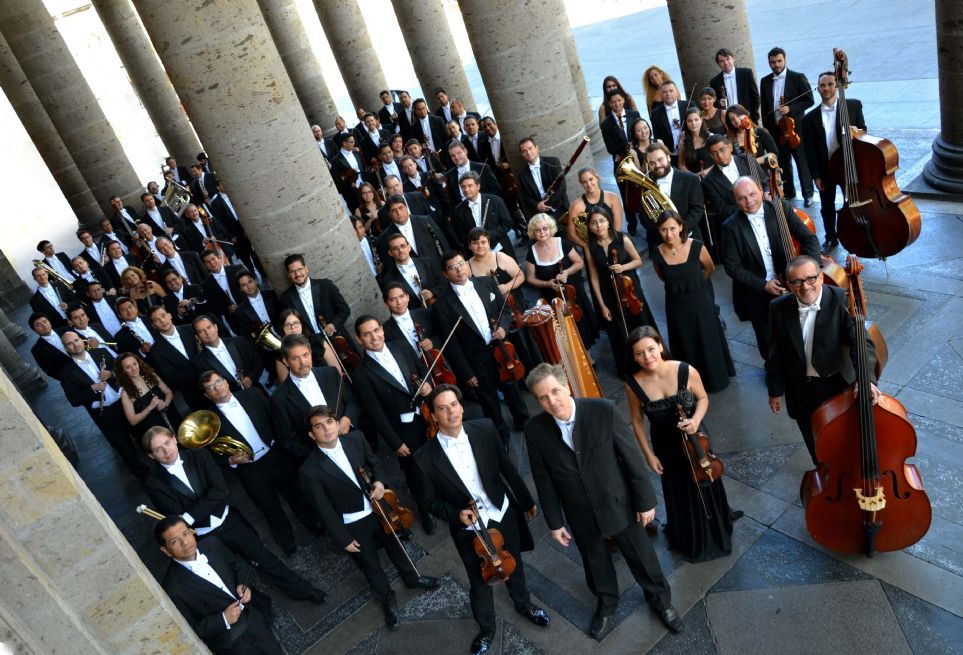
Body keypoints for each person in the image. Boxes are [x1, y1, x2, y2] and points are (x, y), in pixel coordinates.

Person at [523, 363, 680, 637]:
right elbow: (543, 479)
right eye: (543, 398)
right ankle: (607, 604)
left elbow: (631, 458)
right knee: (595, 562)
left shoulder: (603, 410)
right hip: (579, 510)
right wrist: (555, 522)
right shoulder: (534, 429)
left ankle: (661, 601)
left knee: (642, 556)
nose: (552, 401)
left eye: (555, 392)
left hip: (619, 503)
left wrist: (645, 501)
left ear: (566, 386)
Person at [415, 385, 550, 654]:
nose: (451, 412)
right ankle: (487, 629)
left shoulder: (485, 428)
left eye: (454, 404)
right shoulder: (423, 458)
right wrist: (456, 515)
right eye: (442, 408)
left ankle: (524, 604)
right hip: (470, 530)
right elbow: (428, 502)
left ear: (461, 406)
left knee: (514, 564)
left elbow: (507, 469)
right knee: (479, 582)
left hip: (501, 512)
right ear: (434, 416)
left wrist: (527, 501)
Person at [143, 428, 326, 604]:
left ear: (174, 439)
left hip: (229, 521)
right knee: (228, 577)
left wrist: (189, 516)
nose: (166, 450)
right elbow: (174, 512)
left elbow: (219, 491)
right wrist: (199, 507)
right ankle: (259, 607)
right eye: (158, 449)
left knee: (264, 559)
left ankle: (304, 590)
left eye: (167, 443)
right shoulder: (153, 483)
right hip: (204, 537)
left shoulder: (199, 454)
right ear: (151, 456)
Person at [299, 405, 440, 631]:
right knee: (370, 565)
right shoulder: (309, 471)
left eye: (329, 422)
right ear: (311, 434)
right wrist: (343, 538)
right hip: (353, 522)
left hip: (379, 508)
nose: (326, 428)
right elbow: (323, 510)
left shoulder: (355, 439)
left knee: (396, 546)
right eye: (319, 426)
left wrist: (379, 482)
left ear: (337, 423)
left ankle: (412, 578)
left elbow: (375, 464)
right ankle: (387, 599)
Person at [624, 327, 739, 562]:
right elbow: (636, 421)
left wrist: (695, 420)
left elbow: (703, 398)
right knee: (679, 488)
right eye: (639, 353)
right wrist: (648, 455)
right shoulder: (633, 383)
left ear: (660, 346)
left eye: (650, 349)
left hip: (695, 441)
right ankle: (691, 534)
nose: (647, 357)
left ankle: (714, 527)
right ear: (633, 357)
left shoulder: (685, 370)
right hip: (665, 445)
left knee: (704, 479)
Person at [766, 256, 878, 464]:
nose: (805, 286)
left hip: (837, 386)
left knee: (847, 441)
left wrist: (866, 380)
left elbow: (861, 343)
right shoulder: (778, 307)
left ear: (821, 278)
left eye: (811, 278)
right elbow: (776, 351)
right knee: (815, 443)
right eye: (797, 281)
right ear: (788, 284)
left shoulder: (842, 299)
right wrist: (774, 390)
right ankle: (824, 475)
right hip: (800, 389)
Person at [202, 370, 318, 555]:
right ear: (207, 395)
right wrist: (230, 460)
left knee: (295, 493)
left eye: (218, 382)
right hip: (250, 469)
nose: (217, 388)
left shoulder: (253, 394)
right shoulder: (207, 422)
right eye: (210, 388)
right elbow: (209, 454)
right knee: (269, 506)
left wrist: (282, 445)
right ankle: (286, 542)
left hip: (275, 455)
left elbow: (276, 419)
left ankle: (315, 524)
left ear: (226, 382)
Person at [351, 315, 437, 534]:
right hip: (402, 429)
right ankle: (425, 508)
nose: (374, 337)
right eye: (367, 334)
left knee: (439, 455)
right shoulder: (362, 374)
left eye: (376, 330)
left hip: (427, 415)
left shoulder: (400, 346)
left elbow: (421, 368)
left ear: (382, 329)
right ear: (359, 339)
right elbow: (376, 414)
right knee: (415, 470)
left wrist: (427, 383)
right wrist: (395, 442)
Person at [434, 252, 531, 444]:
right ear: (445, 274)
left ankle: (525, 422)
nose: (459, 269)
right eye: (452, 267)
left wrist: (503, 328)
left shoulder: (486, 283)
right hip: (475, 357)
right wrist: (466, 373)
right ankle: (501, 436)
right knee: (488, 398)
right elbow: (451, 345)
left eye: (461, 263)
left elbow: (505, 311)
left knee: (512, 387)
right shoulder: (442, 305)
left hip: (499, 348)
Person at [721, 176, 820, 361]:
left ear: (760, 190)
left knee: (803, 331)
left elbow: (809, 239)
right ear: (735, 200)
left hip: (793, 282)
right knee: (768, 340)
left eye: (752, 194)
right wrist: (763, 285)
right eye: (742, 198)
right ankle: (774, 370)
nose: (749, 201)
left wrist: (810, 273)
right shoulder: (730, 227)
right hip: (758, 290)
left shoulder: (780, 209)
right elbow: (732, 267)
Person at [155, 515, 283, 655]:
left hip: (253, 619)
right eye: (174, 541)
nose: (185, 542)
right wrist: (223, 619)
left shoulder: (212, 543)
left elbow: (238, 566)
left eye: (185, 533)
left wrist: (243, 584)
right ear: (165, 550)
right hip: (232, 644)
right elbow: (190, 628)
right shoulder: (171, 587)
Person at [651, 211, 734, 393]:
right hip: (675, 305)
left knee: (707, 338)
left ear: (680, 226)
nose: (669, 234)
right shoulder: (657, 253)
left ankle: (714, 379)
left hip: (700, 301)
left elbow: (709, 268)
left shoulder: (696, 246)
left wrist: (695, 284)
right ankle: (691, 382)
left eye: (672, 228)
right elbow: (663, 277)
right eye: (664, 229)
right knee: (684, 342)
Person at [59, 331, 151, 479]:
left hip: (125, 402)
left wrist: (112, 374)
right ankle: (144, 476)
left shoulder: (100, 353)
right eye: (70, 343)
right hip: (105, 413)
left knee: (144, 434)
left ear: (82, 340)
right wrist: (92, 388)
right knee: (124, 447)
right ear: (65, 348)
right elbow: (74, 400)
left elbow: (123, 370)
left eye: (76, 340)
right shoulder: (66, 372)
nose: (75, 345)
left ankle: (158, 459)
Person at [583, 206, 657, 375]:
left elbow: (638, 260)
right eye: (594, 223)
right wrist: (602, 305)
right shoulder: (589, 247)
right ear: (589, 226)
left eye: (602, 221)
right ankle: (629, 368)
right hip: (609, 293)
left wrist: (623, 267)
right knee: (619, 331)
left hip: (629, 288)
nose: (599, 226)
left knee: (641, 323)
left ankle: (652, 359)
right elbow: (594, 277)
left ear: (608, 221)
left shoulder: (621, 238)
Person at [801, 70, 867, 253]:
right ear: (817, 88)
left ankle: (859, 235)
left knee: (853, 202)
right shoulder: (808, 119)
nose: (826, 88)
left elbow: (864, 132)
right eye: (822, 85)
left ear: (837, 86)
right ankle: (831, 237)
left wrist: (857, 132)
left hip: (848, 166)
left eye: (830, 84)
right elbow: (809, 150)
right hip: (825, 168)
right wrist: (816, 175)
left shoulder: (853, 106)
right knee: (827, 206)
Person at [271, 334, 360, 463]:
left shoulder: (331, 373)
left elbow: (352, 401)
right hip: (322, 461)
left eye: (305, 355)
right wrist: (318, 457)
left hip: (352, 442)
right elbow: (288, 440)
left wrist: (347, 419)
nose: (303, 362)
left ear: (311, 353)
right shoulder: (279, 398)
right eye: (295, 358)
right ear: (285, 361)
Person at [524, 214, 598, 350]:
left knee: (581, 324)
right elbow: (530, 279)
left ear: (551, 228)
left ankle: (586, 354)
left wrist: (567, 272)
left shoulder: (561, 242)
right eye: (537, 230)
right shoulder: (531, 252)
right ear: (532, 232)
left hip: (573, 293)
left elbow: (579, 263)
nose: (542, 232)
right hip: (552, 297)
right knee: (564, 331)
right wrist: (547, 284)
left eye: (545, 228)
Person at [760, 47, 815, 204]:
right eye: (773, 62)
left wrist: (790, 108)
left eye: (779, 61)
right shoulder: (765, 81)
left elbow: (809, 100)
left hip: (794, 129)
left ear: (785, 60)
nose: (776, 65)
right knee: (782, 162)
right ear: (769, 63)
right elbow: (765, 107)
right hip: (776, 129)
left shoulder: (797, 78)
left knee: (802, 162)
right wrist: (767, 130)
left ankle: (808, 194)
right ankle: (789, 192)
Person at [644, 143, 706, 255]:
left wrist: (679, 230)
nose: (657, 165)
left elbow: (697, 209)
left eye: (660, 160)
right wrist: (662, 231)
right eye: (652, 163)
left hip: (689, 237)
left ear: (668, 157)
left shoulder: (690, 179)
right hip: (660, 242)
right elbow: (643, 216)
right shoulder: (646, 184)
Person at [146, 305, 206, 410]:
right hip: (192, 393)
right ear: (153, 325)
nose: (162, 321)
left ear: (170, 315)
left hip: (214, 380)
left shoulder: (191, 329)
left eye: (163, 315)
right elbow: (171, 375)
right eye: (157, 320)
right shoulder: (155, 349)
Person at [279, 254, 352, 339]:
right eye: (292, 271)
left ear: (306, 269)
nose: (297, 274)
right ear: (288, 274)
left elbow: (344, 310)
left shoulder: (326, 285)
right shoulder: (286, 298)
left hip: (338, 338)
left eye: (300, 269)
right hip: (311, 343)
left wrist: (333, 324)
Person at [115, 351, 181, 435]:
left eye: (135, 364)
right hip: (156, 430)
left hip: (172, 417)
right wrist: (150, 407)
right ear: (123, 371)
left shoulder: (151, 375)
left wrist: (165, 404)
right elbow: (133, 421)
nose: (134, 369)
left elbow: (168, 392)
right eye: (128, 367)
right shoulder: (125, 393)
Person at [193, 314, 263, 392]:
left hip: (256, 390)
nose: (207, 332)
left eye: (209, 327)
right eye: (201, 331)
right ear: (197, 337)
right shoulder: (199, 362)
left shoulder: (239, 341)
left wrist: (250, 378)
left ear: (216, 327)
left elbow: (258, 361)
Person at [452, 171, 515, 255]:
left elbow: (507, 223)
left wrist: (488, 236)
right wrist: (474, 241)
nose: (466, 189)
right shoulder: (458, 210)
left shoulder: (495, 200)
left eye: (470, 186)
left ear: (478, 186)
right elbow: (461, 234)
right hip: (478, 254)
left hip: (500, 247)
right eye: (463, 187)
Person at [271, 308, 340, 383]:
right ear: (283, 329)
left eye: (296, 323)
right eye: (287, 325)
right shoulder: (280, 354)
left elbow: (337, 370)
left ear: (302, 324)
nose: (293, 328)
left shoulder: (317, 340)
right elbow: (287, 386)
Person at [379, 233, 445, 307]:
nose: (400, 250)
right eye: (395, 248)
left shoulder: (428, 263)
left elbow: (444, 282)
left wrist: (432, 292)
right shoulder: (388, 279)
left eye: (403, 246)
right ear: (390, 253)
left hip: (441, 306)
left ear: (409, 247)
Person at [565, 166, 625, 246]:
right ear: (581, 183)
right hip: (592, 246)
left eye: (591, 179)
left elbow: (617, 227)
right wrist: (587, 247)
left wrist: (610, 245)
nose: (589, 184)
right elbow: (571, 234)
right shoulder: (576, 206)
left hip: (614, 240)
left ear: (597, 178)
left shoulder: (613, 197)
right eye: (584, 182)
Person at [702, 134, 755, 223]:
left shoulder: (747, 159)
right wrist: (749, 207)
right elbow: (722, 209)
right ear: (711, 156)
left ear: (730, 147)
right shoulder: (708, 181)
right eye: (714, 153)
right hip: (739, 222)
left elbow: (764, 181)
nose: (720, 156)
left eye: (722, 150)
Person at [517, 136, 568, 222]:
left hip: (561, 208)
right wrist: (537, 205)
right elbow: (525, 197)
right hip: (541, 216)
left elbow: (562, 187)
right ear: (522, 154)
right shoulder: (522, 175)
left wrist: (547, 204)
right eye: (524, 151)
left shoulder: (553, 162)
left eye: (530, 148)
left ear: (536, 148)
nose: (528, 153)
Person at [708, 47, 760, 122]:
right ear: (718, 64)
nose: (726, 63)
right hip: (728, 121)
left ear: (733, 59)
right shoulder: (714, 82)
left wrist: (753, 117)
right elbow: (714, 103)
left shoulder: (746, 73)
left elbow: (755, 97)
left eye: (728, 59)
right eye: (722, 61)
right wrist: (719, 103)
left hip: (747, 118)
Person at [600, 89, 640, 168]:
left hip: (639, 155)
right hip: (621, 162)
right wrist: (627, 146)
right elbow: (610, 149)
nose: (617, 104)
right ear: (609, 104)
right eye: (613, 102)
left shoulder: (634, 115)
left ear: (623, 100)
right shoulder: (605, 124)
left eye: (619, 100)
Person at [650, 81, 688, 159]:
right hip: (670, 154)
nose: (668, 94)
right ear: (660, 95)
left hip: (690, 150)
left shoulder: (688, 105)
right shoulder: (655, 113)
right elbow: (657, 137)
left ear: (676, 92)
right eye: (664, 92)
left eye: (671, 91)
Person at [29, 265, 74, 329]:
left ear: (47, 274)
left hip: (74, 319)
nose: (42, 277)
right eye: (38, 276)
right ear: (34, 278)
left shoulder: (60, 285)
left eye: (43, 274)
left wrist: (68, 305)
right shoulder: (34, 301)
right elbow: (42, 318)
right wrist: (64, 323)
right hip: (59, 327)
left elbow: (76, 299)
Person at [28, 312, 70, 380]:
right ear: (34, 330)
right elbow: (50, 371)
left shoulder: (66, 330)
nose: (44, 325)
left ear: (49, 322)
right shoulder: (37, 350)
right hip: (70, 378)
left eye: (45, 322)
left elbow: (86, 345)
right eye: (39, 325)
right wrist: (69, 379)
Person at [677, 107, 713, 177]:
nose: (693, 123)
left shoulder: (710, 137)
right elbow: (681, 165)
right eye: (689, 121)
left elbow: (720, 160)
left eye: (696, 120)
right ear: (686, 123)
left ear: (701, 120)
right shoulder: (684, 141)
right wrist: (694, 177)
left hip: (712, 176)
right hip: (694, 179)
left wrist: (706, 171)